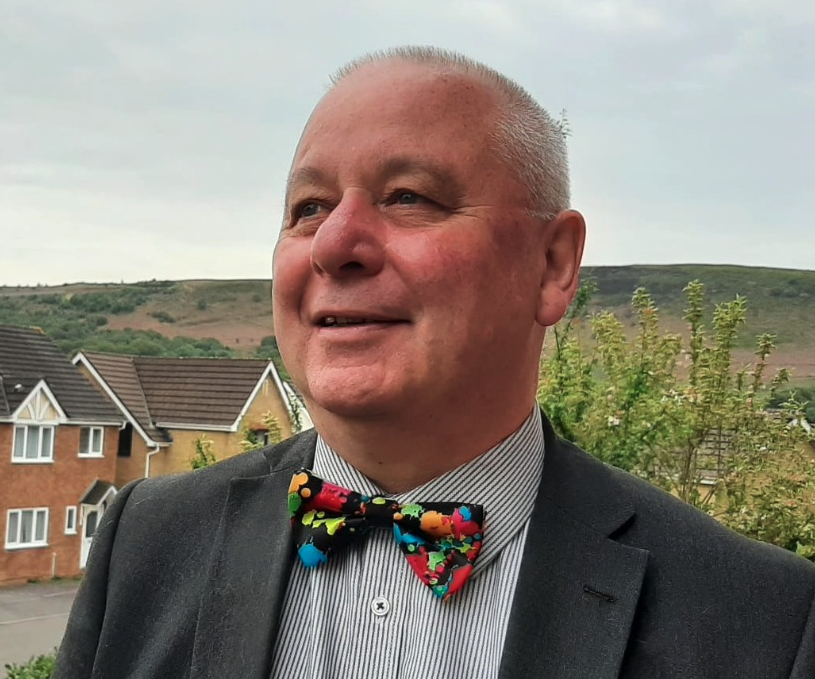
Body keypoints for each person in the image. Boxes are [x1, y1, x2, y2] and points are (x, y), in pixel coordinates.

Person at [54, 46, 814, 679]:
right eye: (308, 207)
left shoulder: (762, 621)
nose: (332, 243)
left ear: (552, 265)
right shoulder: (146, 542)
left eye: (407, 196)